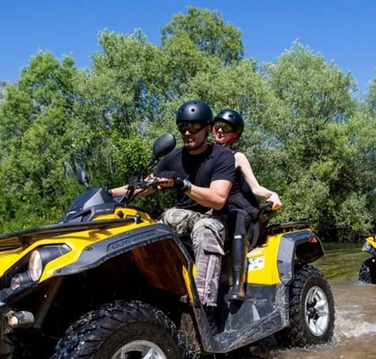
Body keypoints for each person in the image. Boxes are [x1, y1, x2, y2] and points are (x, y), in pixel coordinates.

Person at [110, 100, 234, 324]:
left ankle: (204, 308)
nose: (187, 132)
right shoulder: (172, 158)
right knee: (147, 229)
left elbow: (218, 199)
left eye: (194, 127)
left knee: (206, 228)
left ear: (207, 128)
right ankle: (146, 299)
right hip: (182, 217)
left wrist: (182, 185)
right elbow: (145, 186)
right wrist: (108, 194)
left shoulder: (222, 156)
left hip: (214, 218)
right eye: (183, 127)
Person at [212, 108, 282, 301]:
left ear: (234, 136)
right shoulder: (206, 157)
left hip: (242, 215)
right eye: (218, 126)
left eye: (226, 129)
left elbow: (256, 188)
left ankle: (238, 284)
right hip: (217, 214)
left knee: (237, 216)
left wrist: (272, 195)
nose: (220, 131)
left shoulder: (237, 157)